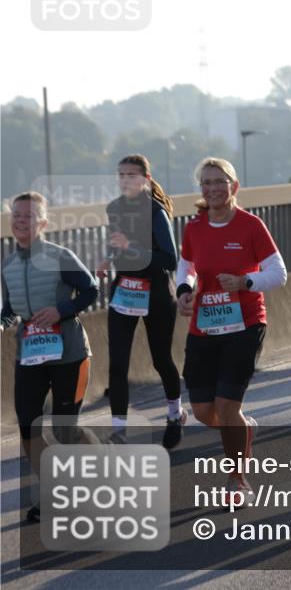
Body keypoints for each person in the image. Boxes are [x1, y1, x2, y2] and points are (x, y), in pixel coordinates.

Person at [177, 157, 288, 507]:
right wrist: (183, 290)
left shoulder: (251, 226)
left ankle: (237, 480)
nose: (212, 189)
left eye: (219, 182)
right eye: (206, 183)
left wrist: (245, 281)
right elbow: (187, 266)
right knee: (202, 411)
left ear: (234, 187)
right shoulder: (194, 228)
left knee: (226, 406)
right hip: (205, 325)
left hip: (245, 324)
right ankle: (242, 428)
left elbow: (279, 273)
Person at [2, 191, 99, 522]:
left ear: (42, 222)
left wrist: (61, 310)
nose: (20, 220)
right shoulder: (8, 264)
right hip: (30, 354)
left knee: (64, 430)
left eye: (28, 216)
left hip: (70, 354)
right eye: (16, 215)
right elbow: (8, 311)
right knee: (29, 424)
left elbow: (91, 290)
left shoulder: (60, 256)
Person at [96, 155, 185, 448]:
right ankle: (119, 432)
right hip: (125, 290)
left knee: (161, 359)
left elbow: (169, 259)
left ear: (146, 178)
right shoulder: (114, 209)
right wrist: (108, 258)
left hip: (157, 292)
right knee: (117, 364)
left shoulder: (156, 211)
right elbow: (117, 242)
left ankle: (174, 414)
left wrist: (130, 247)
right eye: (121, 175)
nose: (125, 180)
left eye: (132, 175)